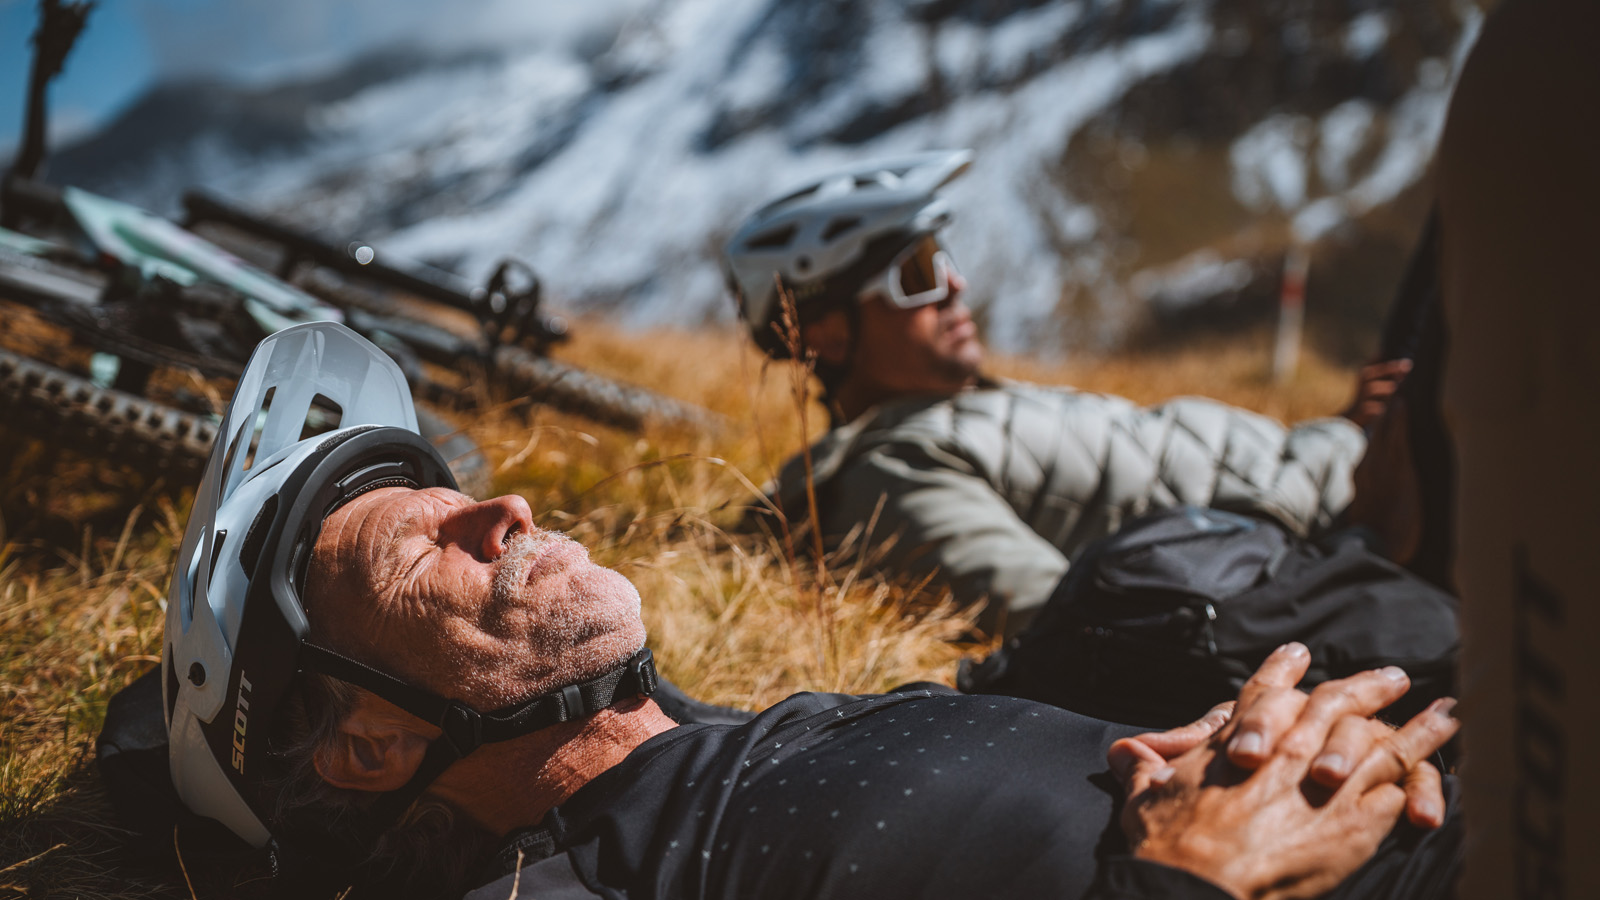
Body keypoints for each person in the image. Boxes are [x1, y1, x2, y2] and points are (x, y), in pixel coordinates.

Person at [164, 323, 1460, 899]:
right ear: (371, 747)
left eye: (460, 495)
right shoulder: (567, 887)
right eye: (425, 549)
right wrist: (1193, 878)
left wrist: (1260, 743)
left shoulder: (744, 737)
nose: (496, 513)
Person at [723, 151, 1403, 635]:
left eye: (945, 260)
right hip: (1365, 523)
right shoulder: (892, 471)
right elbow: (1083, 625)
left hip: (1356, 480)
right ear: (830, 336)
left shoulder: (960, 412)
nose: (955, 286)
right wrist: (1341, 447)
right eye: (918, 274)